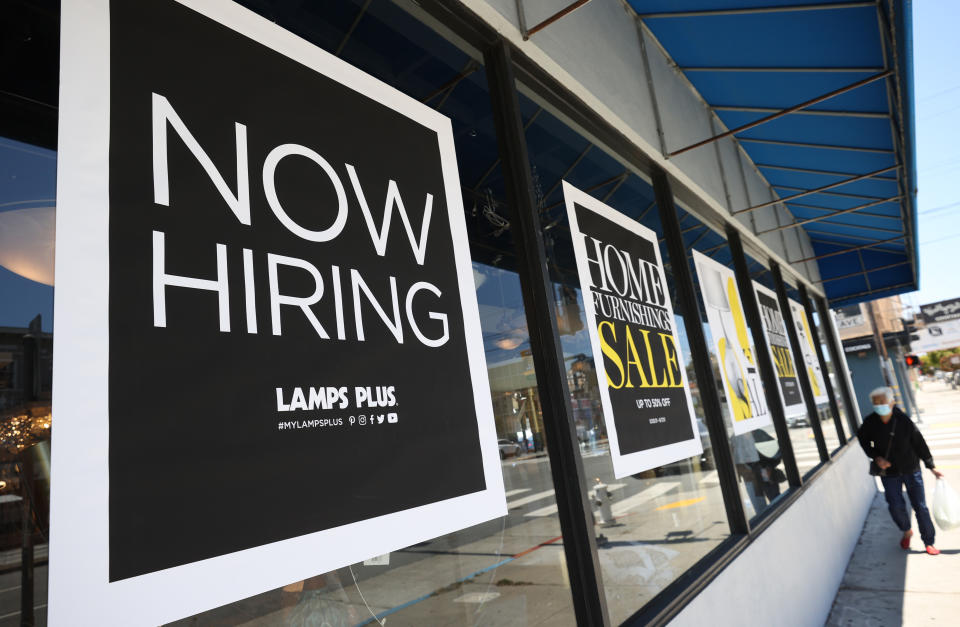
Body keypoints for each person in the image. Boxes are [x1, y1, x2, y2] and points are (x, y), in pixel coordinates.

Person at [857, 386, 944, 555]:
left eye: (882, 402)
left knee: (920, 506)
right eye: (875, 403)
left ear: (891, 402)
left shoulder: (903, 420)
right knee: (895, 505)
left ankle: (929, 541)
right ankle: (906, 530)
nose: (878, 405)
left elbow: (919, 443)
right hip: (889, 473)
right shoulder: (870, 422)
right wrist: (876, 457)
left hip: (911, 468)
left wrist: (931, 466)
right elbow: (864, 440)